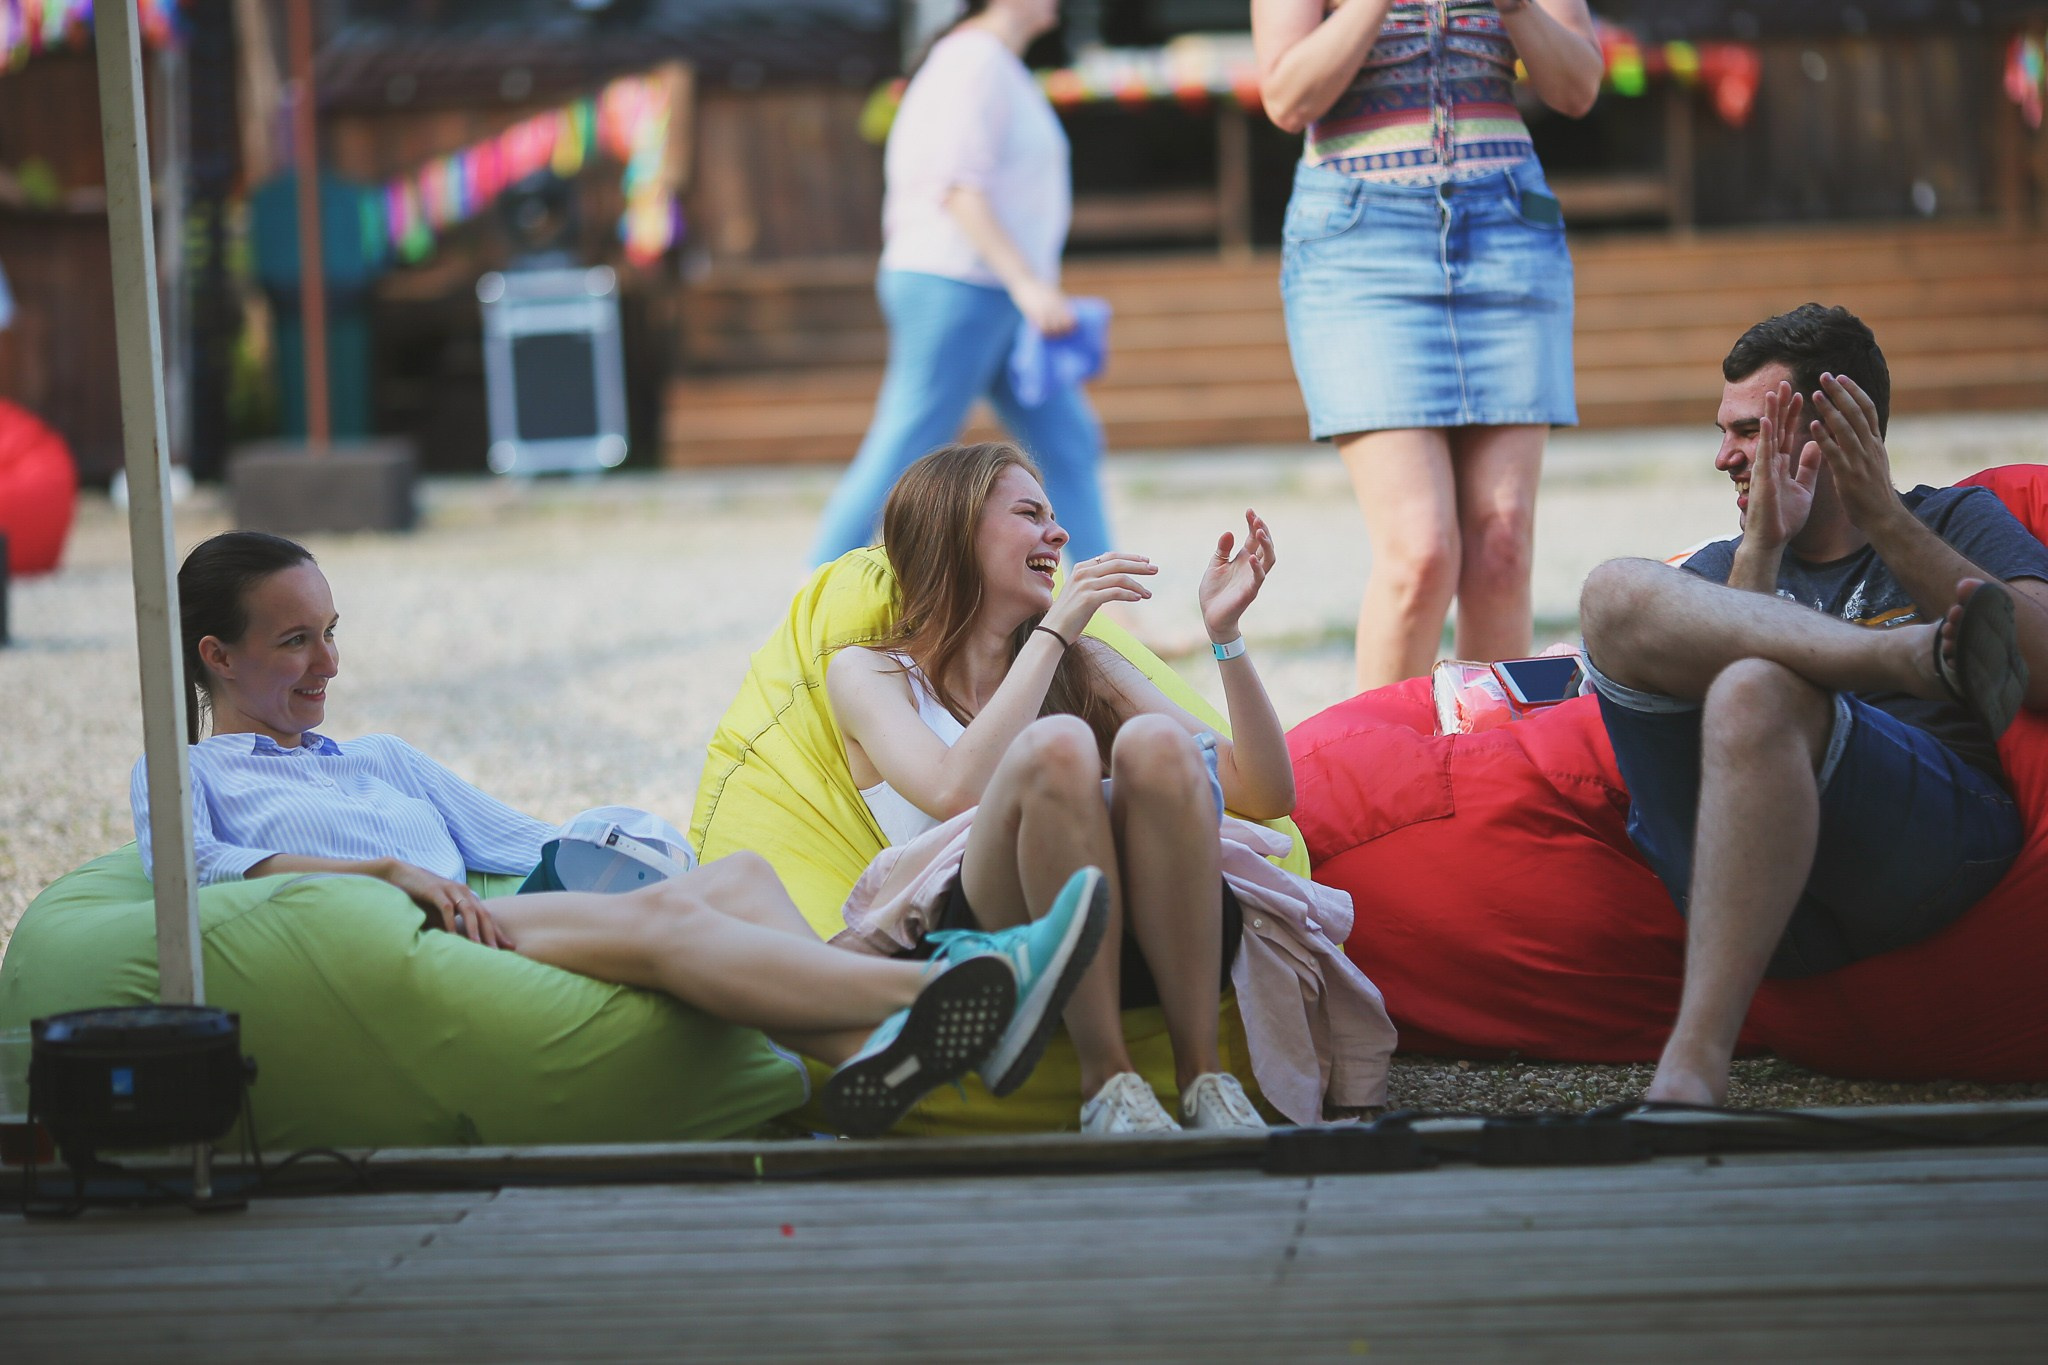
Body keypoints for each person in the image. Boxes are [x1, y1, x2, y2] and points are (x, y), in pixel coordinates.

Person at [134, 531, 1109, 1138]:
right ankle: (966, 989)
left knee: (728, 879)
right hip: (396, 939)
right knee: (665, 933)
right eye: (294, 640)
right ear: (216, 656)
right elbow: (192, 870)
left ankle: (865, 1052)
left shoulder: (375, 757)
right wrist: (383, 870)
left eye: (330, 631)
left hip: (478, 919)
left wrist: (636, 848)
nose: (328, 662)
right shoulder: (185, 773)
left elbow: (528, 842)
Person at [827, 442, 1397, 1133]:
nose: (1059, 534)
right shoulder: (871, 673)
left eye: (1055, 515)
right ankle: (1109, 1083)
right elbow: (953, 790)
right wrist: (1058, 630)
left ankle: (1204, 1079)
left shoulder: (1082, 663)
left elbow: (1267, 789)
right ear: (955, 530)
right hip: (991, 945)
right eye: (1030, 514)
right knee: (1058, 744)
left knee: (1159, 745)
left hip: (1154, 934)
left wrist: (1226, 637)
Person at [1576, 305, 2048, 1106]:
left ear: (1836, 429)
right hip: (1749, 882)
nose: (1723, 456)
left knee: (1759, 687)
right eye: (1723, 431)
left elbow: (2036, 661)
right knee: (1611, 591)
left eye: (1751, 431)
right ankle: (1895, 656)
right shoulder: (1730, 563)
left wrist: (1885, 520)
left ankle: (1692, 1067)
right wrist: (1761, 550)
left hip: (1923, 855)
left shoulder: (1953, 521)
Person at [1253, 0, 1601, 690]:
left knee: (1502, 543)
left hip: (1505, 229)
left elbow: (1578, 86)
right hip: (1361, 241)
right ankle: (1380, 786)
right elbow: (1289, 98)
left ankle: (1489, 782)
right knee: (1420, 554)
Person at [809, 0, 1112, 569]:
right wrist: (1028, 285)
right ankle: (812, 593)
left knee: (1067, 441)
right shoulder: (972, 61)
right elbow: (957, 187)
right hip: (957, 284)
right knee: (908, 444)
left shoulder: (995, 63)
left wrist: (1025, 288)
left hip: (993, 290)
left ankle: (1112, 610)